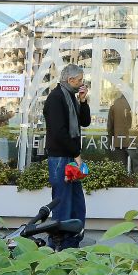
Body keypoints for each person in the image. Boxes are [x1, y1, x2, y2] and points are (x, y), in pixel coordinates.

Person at [43, 65, 91, 249]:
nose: (82, 83)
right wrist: (76, 154)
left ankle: (72, 241)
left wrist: (83, 101)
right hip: (60, 159)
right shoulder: (56, 98)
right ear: (70, 80)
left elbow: (84, 122)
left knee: (76, 201)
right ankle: (59, 243)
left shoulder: (70, 97)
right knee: (63, 202)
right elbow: (59, 132)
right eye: (79, 80)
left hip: (68, 157)